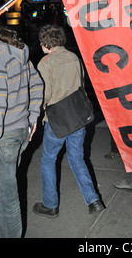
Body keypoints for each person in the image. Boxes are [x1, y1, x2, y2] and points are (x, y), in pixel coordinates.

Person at [0, 24, 43, 238]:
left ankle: (10, 232)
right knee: (1, 189)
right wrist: (32, 118)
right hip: (19, 130)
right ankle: (5, 227)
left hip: (3, 136)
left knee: (7, 198)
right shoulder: (19, 51)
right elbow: (37, 85)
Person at [33, 24, 105, 217]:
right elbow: (80, 85)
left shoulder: (45, 63)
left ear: (45, 43)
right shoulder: (73, 57)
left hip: (57, 120)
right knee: (77, 158)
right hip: (78, 117)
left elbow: (44, 95)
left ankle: (50, 205)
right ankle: (93, 200)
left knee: (48, 159)